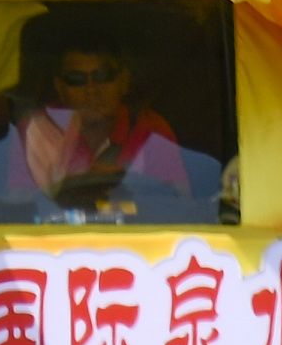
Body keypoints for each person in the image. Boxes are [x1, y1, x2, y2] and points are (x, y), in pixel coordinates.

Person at [10, 20, 198, 217]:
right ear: (60, 88)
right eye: (77, 80)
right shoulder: (36, 130)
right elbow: (22, 211)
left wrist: (128, 186)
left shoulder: (152, 131)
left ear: (123, 82)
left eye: (103, 76)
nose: (92, 90)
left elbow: (178, 207)